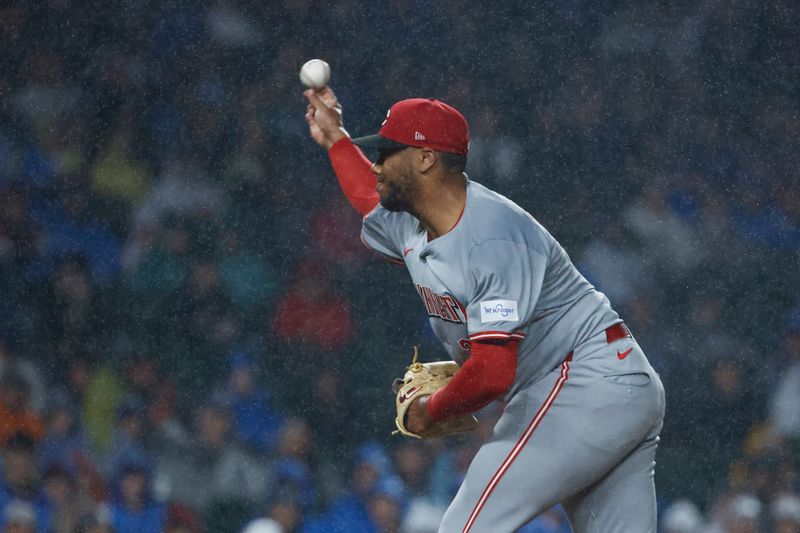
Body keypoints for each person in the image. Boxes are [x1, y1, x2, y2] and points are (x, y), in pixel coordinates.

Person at [303, 86, 666, 532]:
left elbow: (493, 372)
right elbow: (368, 196)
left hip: (583, 379)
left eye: (387, 152)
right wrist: (336, 138)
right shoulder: (413, 220)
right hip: (610, 384)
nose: (377, 164)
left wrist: (430, 409)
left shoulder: (494, 237)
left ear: (425, 159)